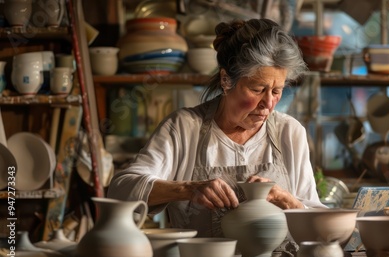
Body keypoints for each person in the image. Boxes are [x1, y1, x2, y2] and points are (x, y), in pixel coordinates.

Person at [107, 18, 327, 238]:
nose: (268, 104)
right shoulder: (185, 128)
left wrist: (287, 200)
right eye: (258, 89)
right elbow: (120, 190)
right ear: (226, 80)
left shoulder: (289, 133)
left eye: (277, 91)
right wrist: (188, 189)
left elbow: (320, 225)